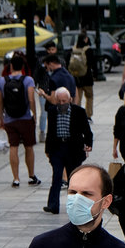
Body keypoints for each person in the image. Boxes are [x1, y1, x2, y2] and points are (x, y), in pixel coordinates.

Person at [43, 87, 93, 215]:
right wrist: (48, 150)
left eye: (64, 101)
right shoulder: (52, 111)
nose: (61, 104)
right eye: (59, 101)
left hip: (73, 149)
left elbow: (87, 131)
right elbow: (50, 132)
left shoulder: (79, 112)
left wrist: (88, 144)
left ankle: (77, 204)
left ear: (69, 99)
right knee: (57, 176)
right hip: (57, 147)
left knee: (74, 178)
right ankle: (53, 205)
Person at [0, 54, 41, 189]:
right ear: (22, 66)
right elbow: (31, 99)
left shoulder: (2, 81)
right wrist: (34, 114)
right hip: (25, 119)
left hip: (10, 119)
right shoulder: (28, 80)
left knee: (13, 147)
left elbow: (0, 102)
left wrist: (1, 118)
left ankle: (16, 178)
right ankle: (31, 175)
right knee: (29, 147)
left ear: (10, 66)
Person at [35, 42, 59, 143]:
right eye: (49, 50)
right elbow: (36, 75)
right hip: (44, 89)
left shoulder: (59, 61)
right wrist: (36, 88)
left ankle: (54, 132)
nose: (51, 52)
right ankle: (42, 132)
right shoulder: (41, 62)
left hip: (56, 90)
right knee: (44, 112)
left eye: (52, 49)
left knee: (56, 112)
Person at [70, 32, 96, 119]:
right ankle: (88, 115)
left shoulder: (73, 49)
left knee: (78, 97)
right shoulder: (88, 50)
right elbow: (92, 63)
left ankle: (78, 114)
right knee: (89, 97)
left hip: (76, 77)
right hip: (87, 77)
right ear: (86, 39)